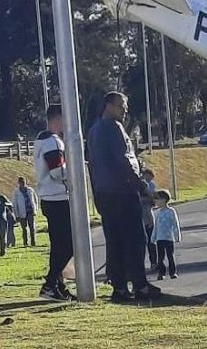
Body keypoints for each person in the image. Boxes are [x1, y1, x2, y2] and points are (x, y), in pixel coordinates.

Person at [88, 91, 161, 302]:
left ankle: (119, 287)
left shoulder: (94, 131)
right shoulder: (114, 128)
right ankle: (140, 285)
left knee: (115, 241)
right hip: (122, 192)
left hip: (104, 193)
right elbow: (124, 161)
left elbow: (92, 166)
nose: (125, 111)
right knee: (135, 239)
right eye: (122, 106)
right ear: (109, 105)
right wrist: (141, 186)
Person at [34, 103, 76, 301]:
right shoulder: (53, 142)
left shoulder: (41, 140)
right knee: (68, 244)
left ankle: (57, 285)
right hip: (58, 197)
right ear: (58, 119)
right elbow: (57, 172)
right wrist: (74, 170)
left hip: (49, 197)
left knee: (58, 244)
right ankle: (50, 283)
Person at [152, 189, 181, 280]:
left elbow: (175, 224)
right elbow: (155, 226)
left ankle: (173, 272)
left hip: (169, 238)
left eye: (157, 199)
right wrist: (153, 237)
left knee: (170, 256)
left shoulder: (171, 211)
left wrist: (177, 235)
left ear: (164, 200)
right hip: (160, 238)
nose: (155, 201)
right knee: (160, 257)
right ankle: (161, 273)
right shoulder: (157, 213)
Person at [12, 176, 38, 247]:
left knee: (32, 228)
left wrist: (35, 209)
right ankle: (25, 242)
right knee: (24, 228)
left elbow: (35, 200)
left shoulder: (30, 190)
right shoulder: (16, 192)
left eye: (24, 182)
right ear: (19, 183)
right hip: (22, 212)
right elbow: (14, 203)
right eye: (21, 182)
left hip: (30, 211)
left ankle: (33, 242)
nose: (23, 183)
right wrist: (16, 215)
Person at [141, 168, 158, 272]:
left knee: (152, 241)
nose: (149, 179)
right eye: (149, 177)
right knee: (140, 243)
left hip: (149, 215)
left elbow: (154, 199)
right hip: (139, 216)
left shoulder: (151, 185)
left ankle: (154, 262)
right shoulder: (138, 183)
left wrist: (151, 198)